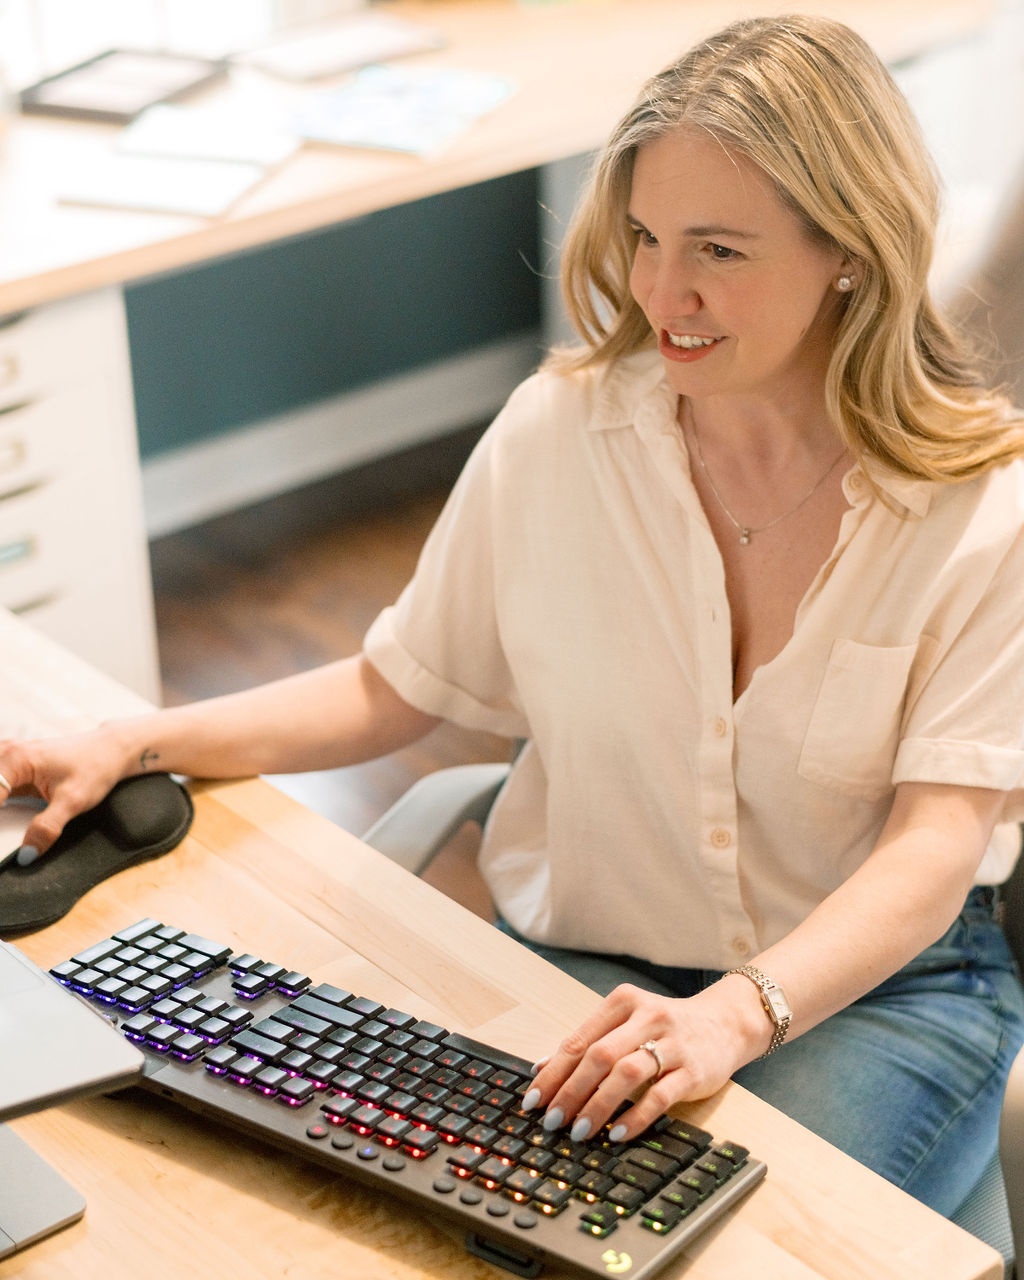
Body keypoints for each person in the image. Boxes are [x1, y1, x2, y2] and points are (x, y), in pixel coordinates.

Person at [3, 12, 1024, 1235]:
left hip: (876, 995)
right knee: (402, 1216)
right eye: (645, 236)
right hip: (592, 960)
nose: (661, 291)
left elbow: (931, 846)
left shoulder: (981, 508)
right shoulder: (564, 434)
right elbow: (398, 685)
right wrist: (141, 736)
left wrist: (730, 1014)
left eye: (719, 250)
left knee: (720, 1244)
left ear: (849, 253)